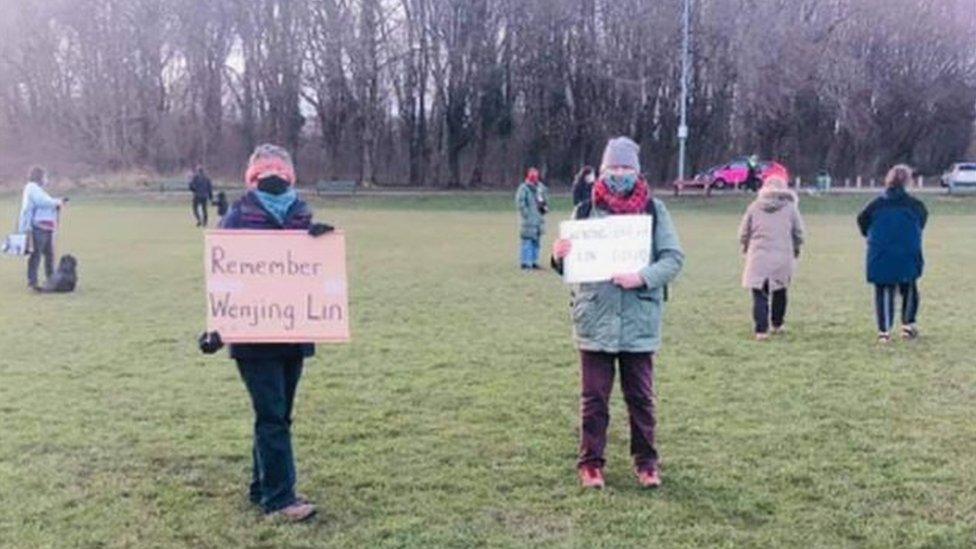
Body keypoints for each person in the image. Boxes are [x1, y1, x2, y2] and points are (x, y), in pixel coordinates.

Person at [198, 144, 334, 522]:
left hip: (294, 332)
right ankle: (279, 500)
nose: (273, 177)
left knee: (278, 415)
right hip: (253, 338)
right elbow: (223, 277)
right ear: (252, 178)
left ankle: (263, 487)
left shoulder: (302, 213)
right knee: (271, 415)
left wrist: (320, 244)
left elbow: (314, 276)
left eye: (279, 170)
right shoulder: (238, 215)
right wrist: (216, 327)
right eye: (265, 172)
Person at [551, 137, 684, 489]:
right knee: (594, 398)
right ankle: (591, 463)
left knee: (640, 398)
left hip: (639, 320)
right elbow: (569, 269)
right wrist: (559, 255)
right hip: (594, 318)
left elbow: (673, 259)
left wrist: (641, 277)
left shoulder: (655, 211)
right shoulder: (583, 212)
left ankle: (647, 463)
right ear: (602, 171)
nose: (619, 174)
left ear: (637, 171)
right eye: (613, 168)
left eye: (626, 168)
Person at [857, 164, 928, 343]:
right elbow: (922, 222)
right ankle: (908, 325)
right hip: (907, 251)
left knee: (883, 290)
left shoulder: (875, 204)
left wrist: (872, 235)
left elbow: (862, 221)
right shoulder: (915, 205)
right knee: (909, 287)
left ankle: (884, 331)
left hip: (880, 251)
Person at [738, 175, 805, 340]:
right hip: (782, 255)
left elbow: (743, 232)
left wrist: (745, 245)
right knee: (780, 290)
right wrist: (796, 247)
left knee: (759, 293)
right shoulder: (790, 208)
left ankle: (761, 330)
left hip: (758, 256)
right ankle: (777, 324)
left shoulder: (754, 207)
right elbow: (799, 233)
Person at [18, 166, 65, 291]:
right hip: (38, 228)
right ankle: (32, 283)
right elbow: (42, 202)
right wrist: (57, 202)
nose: (46, 179)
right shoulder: (32, 188)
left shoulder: (38, 189)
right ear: (39, 177)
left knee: (49, 255)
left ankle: (51, 279)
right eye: (45, 177)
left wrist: (57, 203)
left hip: (46, 227)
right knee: (36, 255)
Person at [515, 167, 549, 270]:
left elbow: (545, 201)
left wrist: (545, 208)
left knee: (537, 241)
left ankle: (534, 261)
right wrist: (526, 214)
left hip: (539, 219)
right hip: (528, 220)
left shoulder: (541, 188)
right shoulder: (524, 188)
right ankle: (525, 262)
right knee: (527, 241)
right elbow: (520, 203)